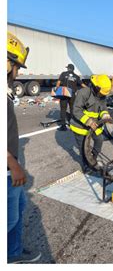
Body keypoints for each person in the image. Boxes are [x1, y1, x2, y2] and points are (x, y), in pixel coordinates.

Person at [7, 32, 42, 263]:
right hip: (8, 169)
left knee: (17, 213)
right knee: (8, 219)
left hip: (10, 168)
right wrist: (13, 165)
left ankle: (13, 253)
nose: (18, 72)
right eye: (17, 66)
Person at [69, 74, 112, 172]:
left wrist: (105, 115)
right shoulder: (84, 93)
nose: (102, 95)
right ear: (96, 87)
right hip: (80, 126)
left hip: (94, 126)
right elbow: (76, 110)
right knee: (84, 148)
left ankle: (93, 159)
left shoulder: (102, 95)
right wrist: (88, 121)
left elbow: (103, 108)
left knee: (99, 140)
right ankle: (86, 166)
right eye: (101, 93)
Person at [56, 64, 86, 131]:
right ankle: (72, 125)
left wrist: (57, 92)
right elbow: (82, 84)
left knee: (63, 109)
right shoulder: (76, 76)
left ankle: (63, 126)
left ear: (68, 68)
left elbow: (58, 83)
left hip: (65, 93)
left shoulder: (63, 74)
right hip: (72, 95)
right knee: (72, 109)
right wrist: (89, 89)